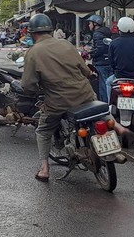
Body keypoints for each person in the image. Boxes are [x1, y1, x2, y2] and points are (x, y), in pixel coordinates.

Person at [21, 14, 101, 182]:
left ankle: (44, 169)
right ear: (51, 30)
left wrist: (35, 90)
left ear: (32, 33)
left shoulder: (33, 53)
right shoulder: (66, 44)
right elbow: (85, 70)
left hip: (59, 101)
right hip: (85, 94)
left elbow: (28, 85)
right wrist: (88, 75)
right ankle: (119, 129)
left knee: (42, 131)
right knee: (99, 113)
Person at [86, 15, 113, 102]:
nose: (89, 25)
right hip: (109, 62)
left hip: (101, 63)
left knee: (103, 86)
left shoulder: (97, 34)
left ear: (95, 24)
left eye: (90, 23)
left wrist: (91, 54)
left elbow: (100, 49)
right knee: (109, 84)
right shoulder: (106, 32)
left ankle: (105, 105)